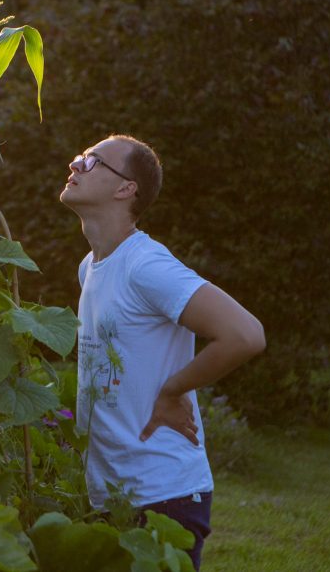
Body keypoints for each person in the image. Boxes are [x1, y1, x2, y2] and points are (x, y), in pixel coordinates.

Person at [59, 134, 266, 570]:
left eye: (92, 162)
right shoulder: (90, 267)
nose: (75, 166)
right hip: (112, 493)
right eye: (80, 158)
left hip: (162, 496)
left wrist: (174, 389)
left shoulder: (146, 266)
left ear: (125, 188)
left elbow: (245, 334)